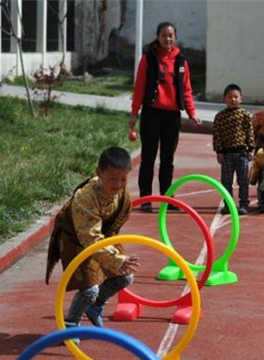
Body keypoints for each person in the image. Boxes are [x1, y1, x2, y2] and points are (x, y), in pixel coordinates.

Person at [45, 147, 140, 329]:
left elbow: (114, 222)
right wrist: (115, 258)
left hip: (102, 236)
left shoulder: (120, 192)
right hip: (76, 237)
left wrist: (116, 258)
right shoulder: (87, 198)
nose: (118, 184)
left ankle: (96, 306)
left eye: (123, 179)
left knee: (125, 277)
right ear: (99, 173)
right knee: (89, 289)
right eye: (112, 179)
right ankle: (71, 324)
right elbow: (89, 237)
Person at [129, 22, 201, 212]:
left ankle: (168, 198)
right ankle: (146, 199)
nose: (167, 39)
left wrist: (192, 113)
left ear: (175, 37)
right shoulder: (148, 59)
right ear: (158, 37)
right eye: (163, 35)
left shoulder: (181, 61)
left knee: (168, 159)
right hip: (152, 114)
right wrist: (134, 113)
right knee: (148, 157)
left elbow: (186, 89)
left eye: (170, 35)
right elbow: (139, 88)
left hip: (172, 116)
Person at [213, 83, 255, 215]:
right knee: (226, 181)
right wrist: (219, 151)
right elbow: (217, 135)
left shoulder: (245, 115)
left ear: (241, 99)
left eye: (236, 97)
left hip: (242, 152)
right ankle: (228, 204)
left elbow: (250, 133)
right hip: (226, 153)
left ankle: (243, 204)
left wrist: (250, 149)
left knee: (243, 180)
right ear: (224, 99)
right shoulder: (220, 116)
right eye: (230, 97)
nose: (233, 100)